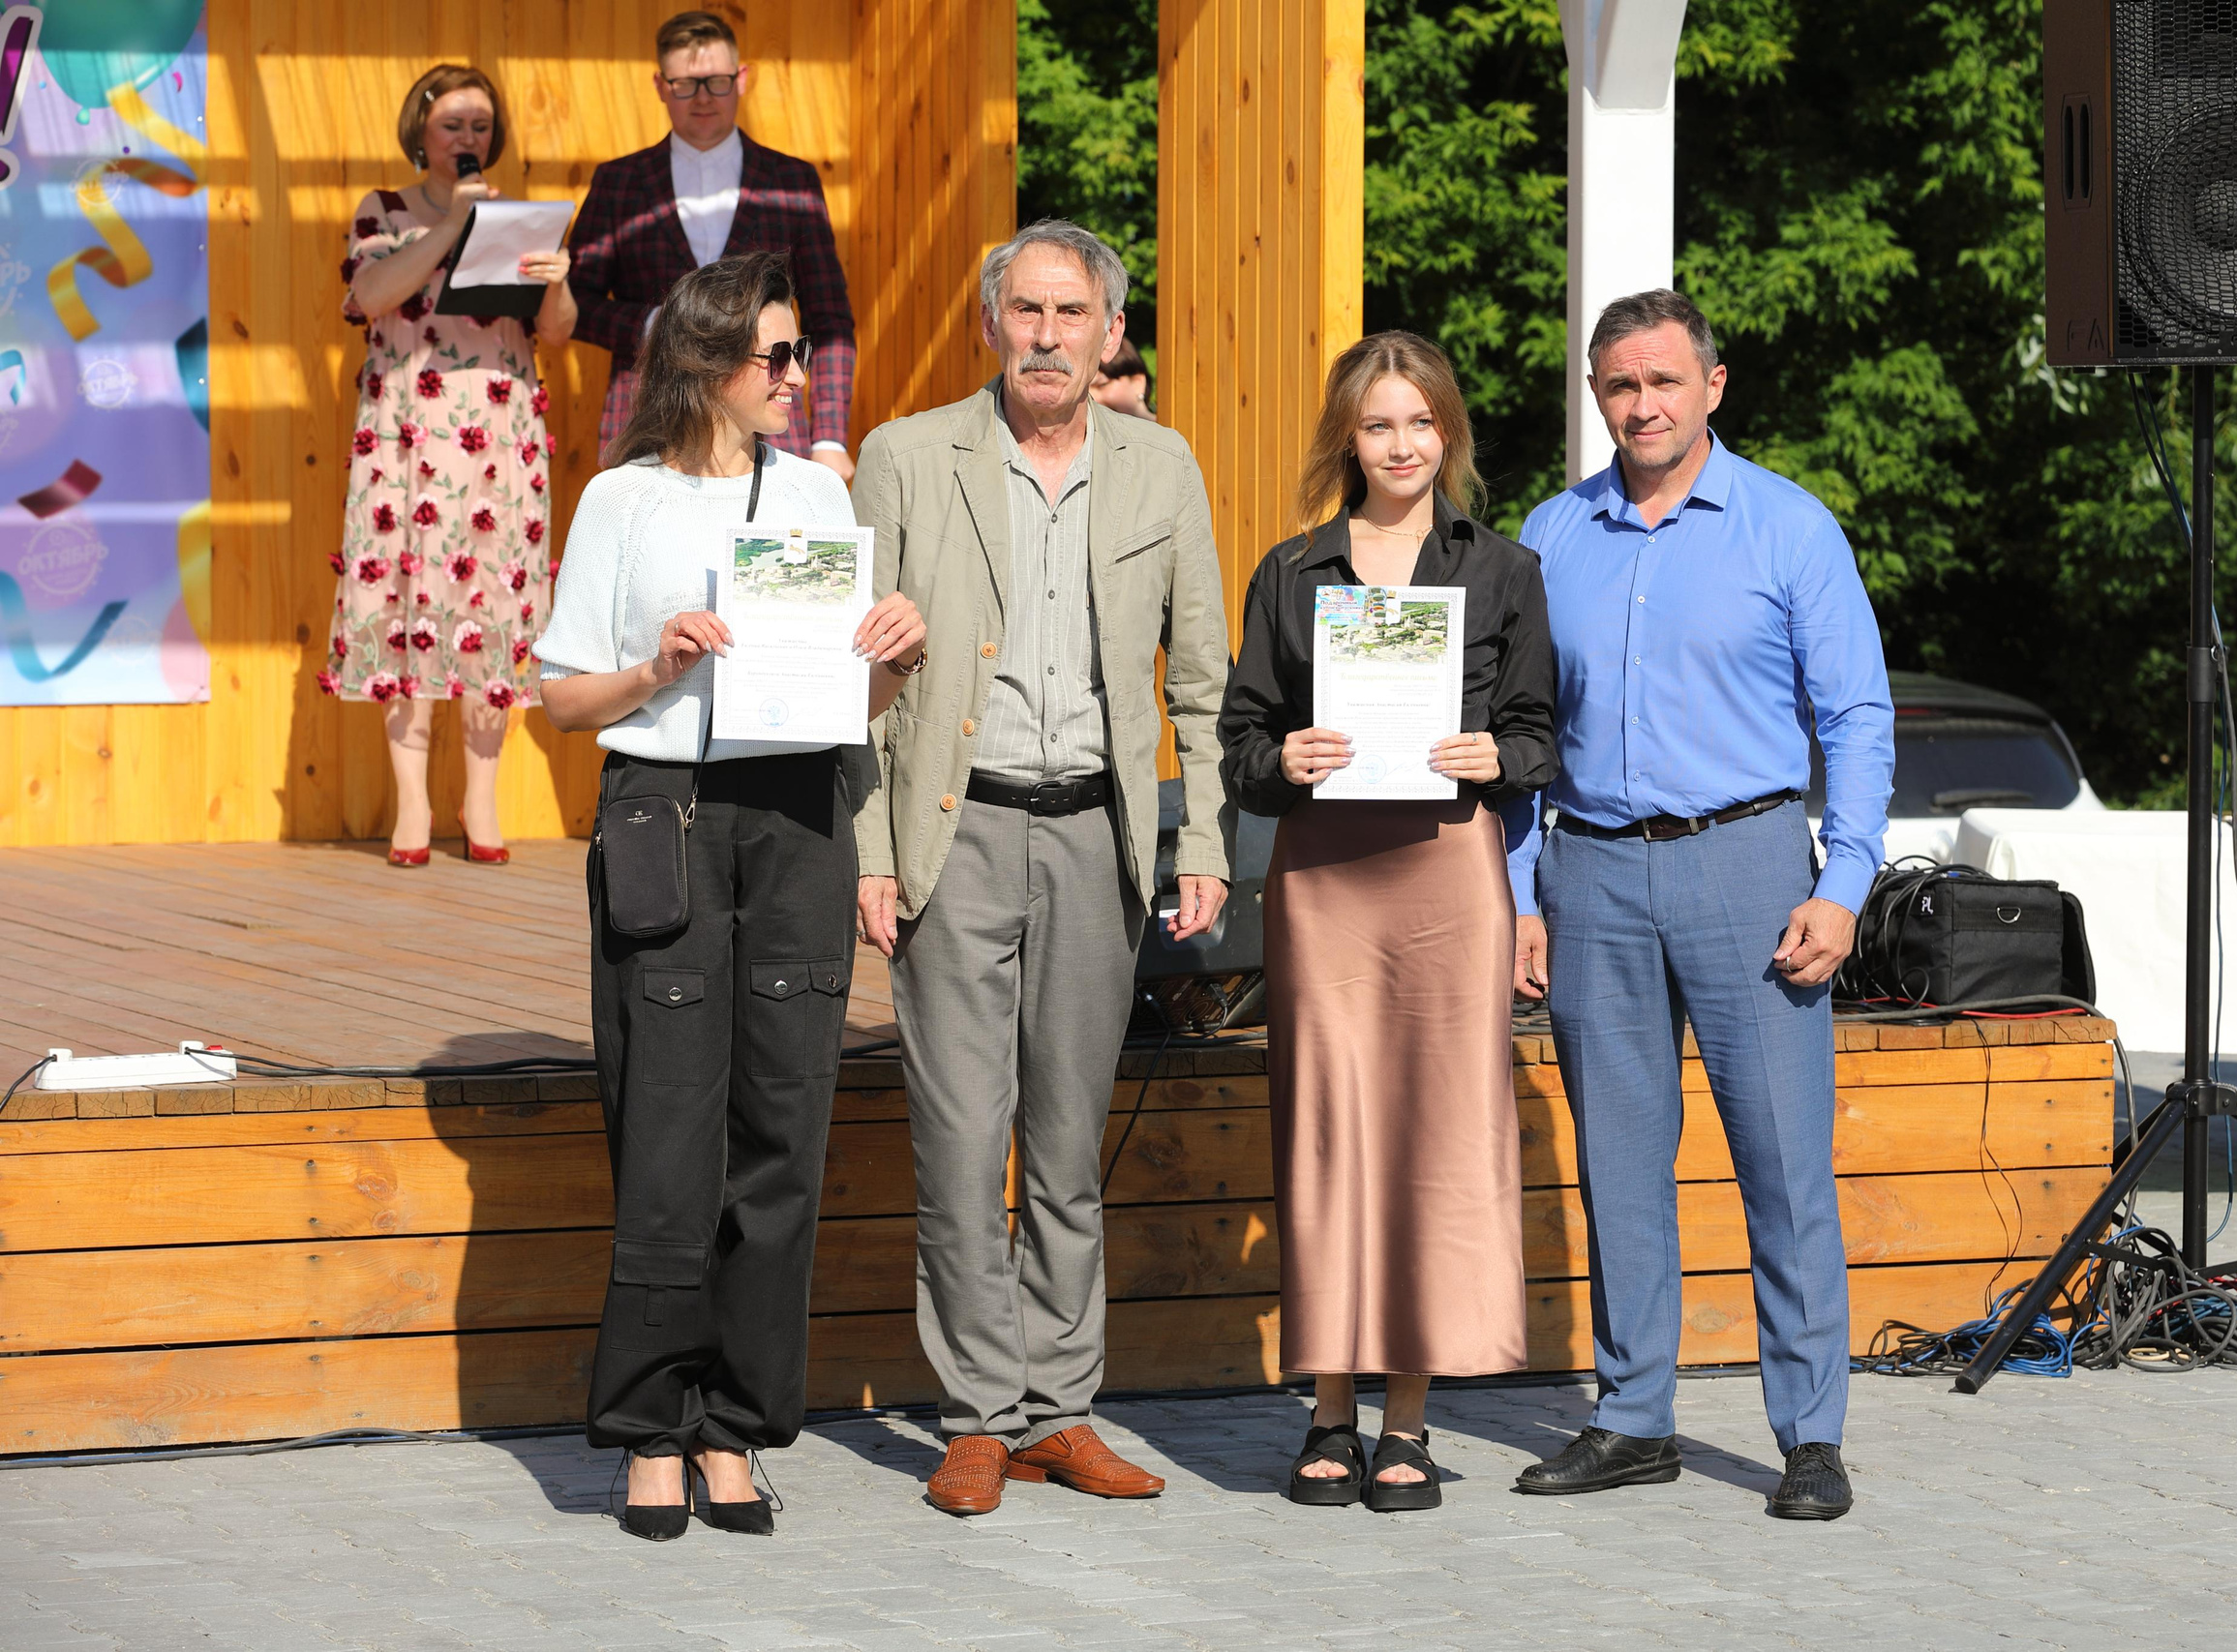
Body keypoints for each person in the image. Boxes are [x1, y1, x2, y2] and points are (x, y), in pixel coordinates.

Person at [534, 253, 925, 1542]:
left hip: (803, 816)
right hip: (667, 811)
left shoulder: (816, 489)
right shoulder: (624, 501)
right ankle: (650, 1425)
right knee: (666, 1128)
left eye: (800, 351)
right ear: (703, 357)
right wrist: (660, 660)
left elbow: (845, 702)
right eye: (776, 354)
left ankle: (738, 1427)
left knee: (781, 1130)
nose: (796, 374)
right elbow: (563, 699)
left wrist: (890, 657)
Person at [850, 220, 1232, 1517]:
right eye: (1028, 310)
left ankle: (1060, 1410)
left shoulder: (1163, 465)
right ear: (992, 321)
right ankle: (974, 1415)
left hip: (1098, 837)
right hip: (954, 832)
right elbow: (861, 683)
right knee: (962, 1142)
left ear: (1109, 332)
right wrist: (872, 851)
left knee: (1067, 1144)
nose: (1049, 335)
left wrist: (1204, 840)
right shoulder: (905, 457)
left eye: (1074, 314)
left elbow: (1200, 682)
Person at [1504, 289, 1892, 1521]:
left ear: (1711, 386)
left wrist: (1844, 884)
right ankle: (1632, 1417)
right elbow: (1516, 738)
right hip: (1593, 871)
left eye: (1665, 381)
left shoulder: (1788, 528)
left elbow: (1857, 720)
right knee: (1619, 1160)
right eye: (1620, 386)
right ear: (1596, 395)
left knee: (1781, 1163)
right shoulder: (1550, 536)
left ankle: (1808, 1435)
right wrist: (1520, 893)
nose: (1643, 405)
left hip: (1753, 865)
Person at [1219, 331, 1556, 1512]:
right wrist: (1286, 756)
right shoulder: (1291, 570)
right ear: (1346, 439)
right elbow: (1240, 740)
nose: (1402, 444)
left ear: (1446, 433)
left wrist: (1496, 754)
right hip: (1326, 882)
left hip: (1447, 875)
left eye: (1420, 423)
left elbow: (1541, 738)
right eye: (1378, 425)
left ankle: (1405, 1420)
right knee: (1328, 1134)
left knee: (1434, 1138)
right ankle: (1326, 1410)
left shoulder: (1501, 569)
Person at [328, 63, 575, 866]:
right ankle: (409, 809)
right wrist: (454, 230)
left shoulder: (520, 218)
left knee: (491, 605)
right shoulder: (385, 211)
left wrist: (559, 281)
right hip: (406, 436)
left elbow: (558, 332)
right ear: (421, 131)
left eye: (478, 127)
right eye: (452, 126)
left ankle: (480, 803)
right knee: (406, 601)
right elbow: (370, 295)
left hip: (498, 437)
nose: (467, 140)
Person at [566, 10, 858, 480]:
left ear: (741, 80)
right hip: (650, 413)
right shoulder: (619, 182)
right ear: (661, 86)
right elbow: (575, 301)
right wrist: (655, 323)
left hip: (775, 422)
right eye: (685, 84)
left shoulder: (791, 182)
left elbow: (830, 319)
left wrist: (829, 437)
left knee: (772, 553)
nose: (702, 98)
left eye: (717, 81)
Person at [1092, 337, 1158, 422]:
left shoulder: (1174, 431)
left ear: (1137, 382)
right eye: (1084, 391)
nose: (1093, 397)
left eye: (1102, 385)